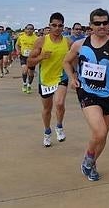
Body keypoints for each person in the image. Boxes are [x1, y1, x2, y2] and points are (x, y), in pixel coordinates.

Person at [63, 8, 109, 181]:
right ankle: (88, 160)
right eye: (97, 23)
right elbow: (66, 62)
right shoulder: (79, 45)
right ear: (91, 25)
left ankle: (92, 163)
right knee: (99, 132)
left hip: (107, 95)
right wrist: (72, 78)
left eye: (105, 23)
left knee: (102, 137)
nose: (102, 26)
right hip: (87, 92)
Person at [28, 13, 72, 147]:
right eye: (54, 25)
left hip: (61, 77)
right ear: (49, 25)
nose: (57, 28)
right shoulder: (41, 41)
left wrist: (74, 75)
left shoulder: (68, 42)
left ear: (63, 27)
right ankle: (47, 132)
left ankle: (59, 126)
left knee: (59, 103)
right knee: (47, 109)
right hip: (45, 79)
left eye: (60, 26)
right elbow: (30, 61)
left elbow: (74, 60)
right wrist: (41, 57)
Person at [15, 24, 37, 93]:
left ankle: (29, 85)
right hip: (23, 56)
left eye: (31, 29)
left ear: (33, 30)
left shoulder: (36, 38)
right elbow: (17, 45)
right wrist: (18, 50)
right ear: (25, 29)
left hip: (32, 57)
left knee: (31, 73)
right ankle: (24, 83)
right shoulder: (21, 37)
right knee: (24, 70)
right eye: (28, 29)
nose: (29, 30)